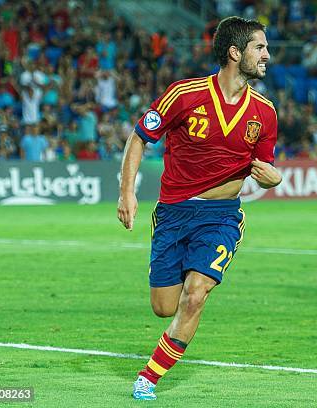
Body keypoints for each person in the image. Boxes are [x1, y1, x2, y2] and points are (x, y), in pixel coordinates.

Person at [117, 16, 281, 401]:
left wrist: (272, 178)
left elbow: (266, 166)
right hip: (174, 213)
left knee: (196, 294)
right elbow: (139, 138)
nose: (267, 56)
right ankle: (167, 336)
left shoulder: (265, 112)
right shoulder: (185, 95)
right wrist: (127, 192)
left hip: (221, 216)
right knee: (163, 307)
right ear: (234, 52)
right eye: (260, 47)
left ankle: (149, 377)